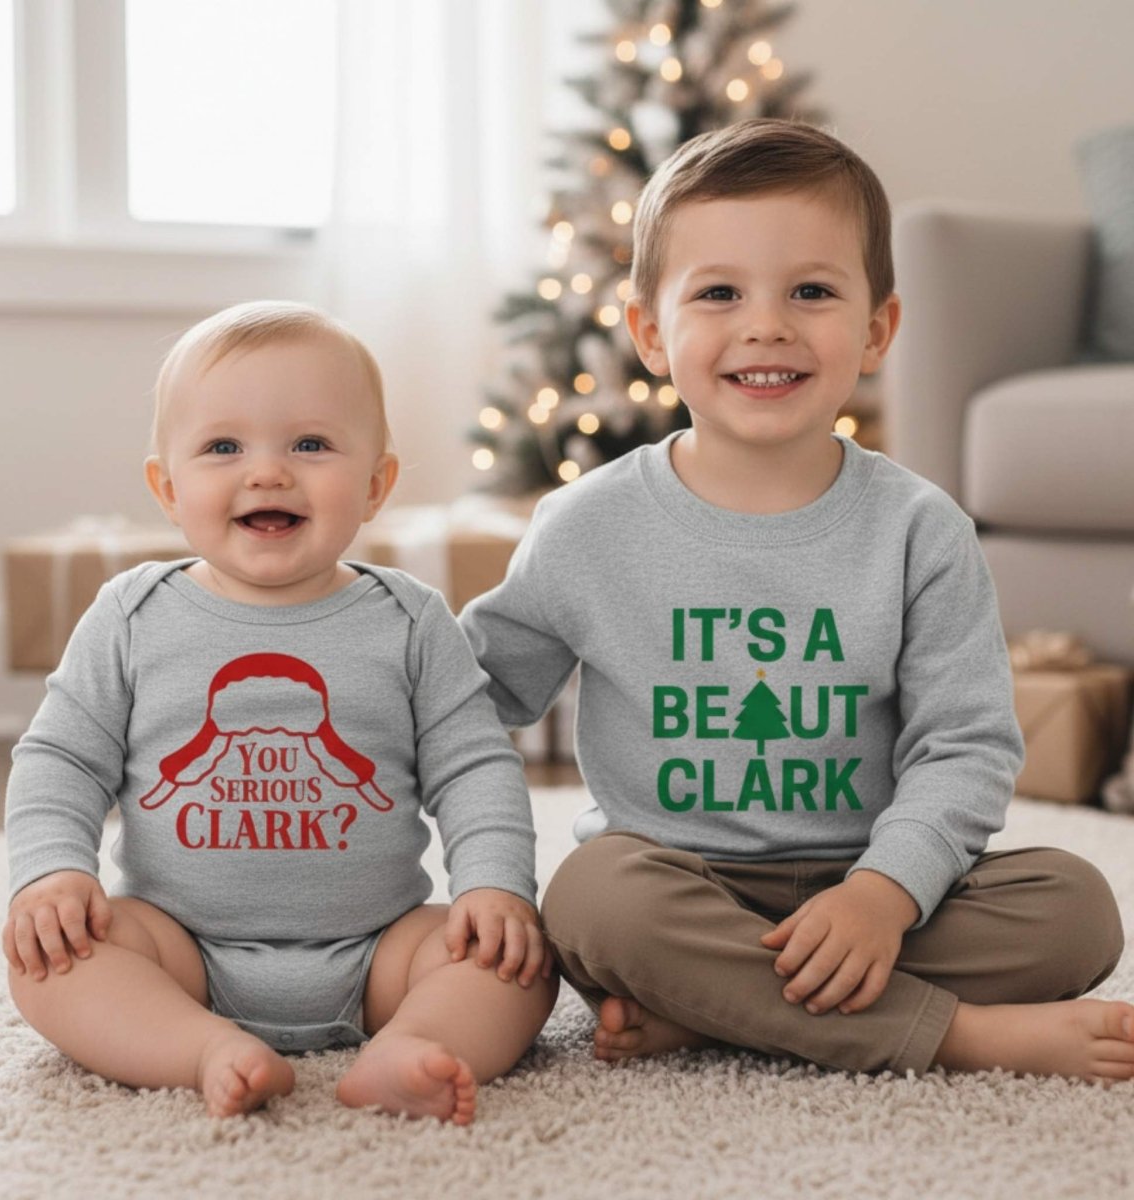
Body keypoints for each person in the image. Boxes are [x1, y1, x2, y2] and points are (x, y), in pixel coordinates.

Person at [461, 119, 1133, 1083]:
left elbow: (966, 745)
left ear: (876, 331)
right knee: (591, 904)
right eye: (720, 293)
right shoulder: (586, 526)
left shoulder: (920, 529)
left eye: (811, 291)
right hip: (674, 883)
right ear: (652, 332)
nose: (766, 325)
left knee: (1076, 906)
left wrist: (883, 894)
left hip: (875, 885)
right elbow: (470, 695)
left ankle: (717, 1010)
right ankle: (955, 1036)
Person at [3, 301, 557, 1122]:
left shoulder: (410, 621)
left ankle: (411, 1046)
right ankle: (200, 1048)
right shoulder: (132, 615)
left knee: (517, 963)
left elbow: (474, 766)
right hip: (178, 949)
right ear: (168, 487)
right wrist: (53, 872)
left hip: (380, 953)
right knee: (49, 961)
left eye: (310, 444)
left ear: (375, 485)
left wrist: (492, 885)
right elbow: (61, 760)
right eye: (223, 448)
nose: (267, 473)